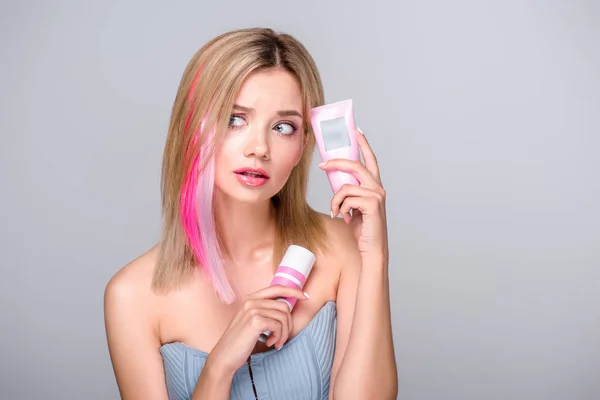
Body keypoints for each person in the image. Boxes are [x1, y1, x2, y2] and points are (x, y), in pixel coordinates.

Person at [104, 27, 397, 400]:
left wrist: (374, 257)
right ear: (192, 126)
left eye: (283, 127)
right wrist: (219, 367)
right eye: (234, 119)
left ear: (305, 144)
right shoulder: (132, 296)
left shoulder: (340, 249)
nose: (259, 148)